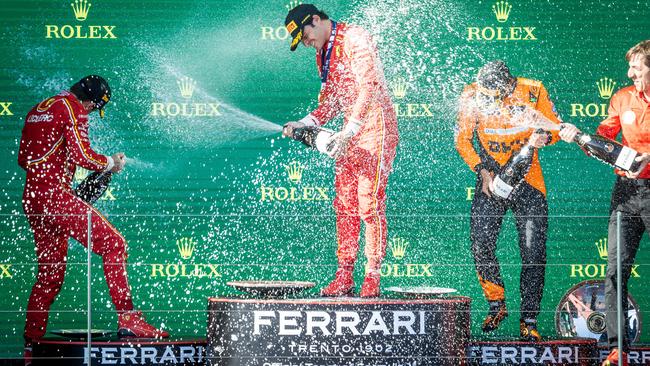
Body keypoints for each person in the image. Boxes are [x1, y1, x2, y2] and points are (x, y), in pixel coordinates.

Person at [18, 75, 169, 363]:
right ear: (90, 101)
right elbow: (83, 155)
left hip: (33, 198)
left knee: (50, 275)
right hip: (54, 197)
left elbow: (25, 160)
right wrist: (111, 162)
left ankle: (31, 344)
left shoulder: (39, 108)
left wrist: (72, 181)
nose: (89, 112)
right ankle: (128, 318)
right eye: (93, 108)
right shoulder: (72, 108)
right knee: (115, 244)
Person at [281, 4, 399, 297]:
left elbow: (369, 88)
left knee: (368, 204)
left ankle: (372, 275)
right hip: (350, 130)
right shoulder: (323, 54)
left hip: (375, 125)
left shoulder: (355, 38)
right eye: (302, 42)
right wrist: (305, 122)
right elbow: (332, 101)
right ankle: (344, 274)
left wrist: (351, 130)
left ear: (317, 20)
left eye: (305, 36)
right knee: (344, 204)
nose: (306, 44)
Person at [454, 60, 562, 341]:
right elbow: (463, 140)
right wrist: (482, 170)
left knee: (533, 252)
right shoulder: (470, 94)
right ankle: (496, 304)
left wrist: (543, 138)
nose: (489, 99)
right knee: (481, 242)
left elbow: (556, 129)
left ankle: (529, 321)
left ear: (508, 85)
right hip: (492, 179)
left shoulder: (533, 90)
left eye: (495, 94)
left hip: (529, 182)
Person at [560, 40, 650, 366]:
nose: (630, 74)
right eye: (631, 69)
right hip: (625, 195)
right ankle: (618, 351)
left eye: (637, 69)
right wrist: (581, 137)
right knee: (614, 273)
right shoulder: (622, 98)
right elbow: (603, 141)